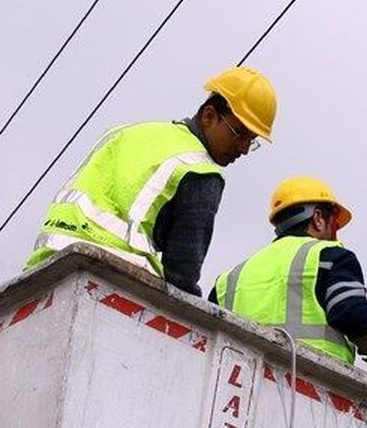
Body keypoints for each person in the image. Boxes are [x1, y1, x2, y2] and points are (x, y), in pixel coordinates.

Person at [24, 66, 276, 296]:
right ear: (209, 116)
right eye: (239, 133)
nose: (243, 148)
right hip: (114, 277)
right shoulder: (201, 171)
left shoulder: (127, 132)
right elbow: (182, 273)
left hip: (45, 265)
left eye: (251, 140)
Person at [209, 177, 367, 373]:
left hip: (238, 387)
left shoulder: (230, 278)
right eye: (335, 224)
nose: (335, 233)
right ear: (318, 218)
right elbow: (350, 313)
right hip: (310, 385)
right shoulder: (330, 256)